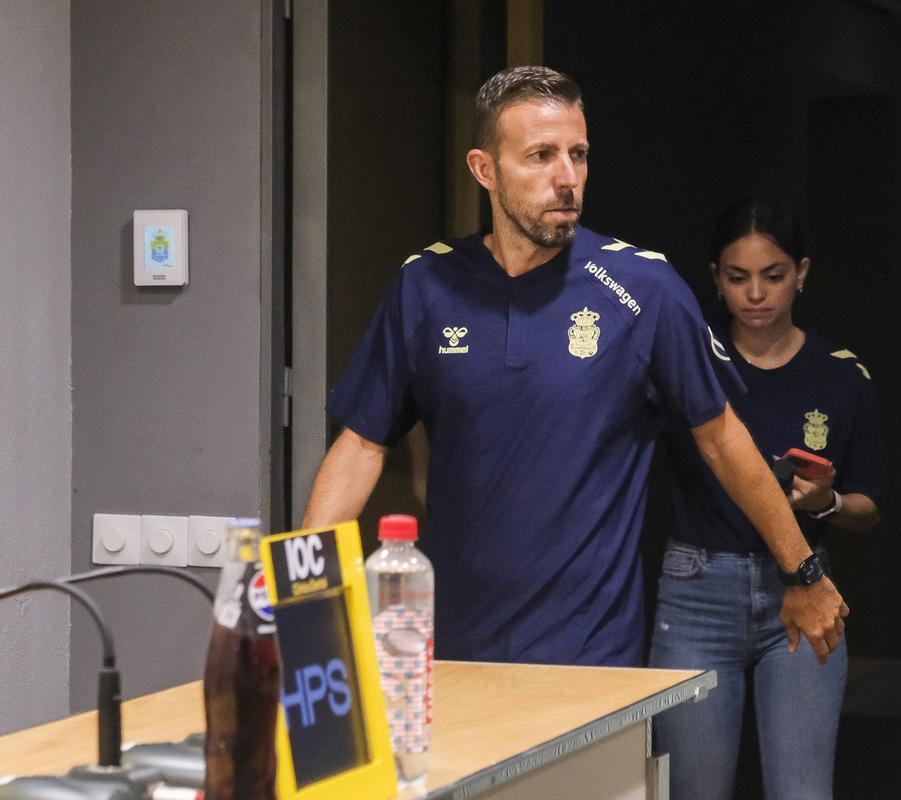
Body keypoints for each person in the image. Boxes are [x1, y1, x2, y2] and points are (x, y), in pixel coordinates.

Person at [301, 66, 848, 668]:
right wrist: (299, 595)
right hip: (448, 648)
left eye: (578, 154)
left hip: (589, 656)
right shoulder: (425, 284)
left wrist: (803, 571)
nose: (567, 178)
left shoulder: (643, 287)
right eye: (541, 156)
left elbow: (721, 437)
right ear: (485, 169)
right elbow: (361, 446)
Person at [649, 198, 882, 800]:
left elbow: (869, 508)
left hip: (802, 592)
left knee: (802, 789)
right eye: (737, 277)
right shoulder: (689, 362)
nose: (756, 293)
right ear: (715, 281)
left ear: (801, 273)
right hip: (696, 589)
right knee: (692, 789)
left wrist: (826, 502)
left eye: (773, 276)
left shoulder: (840, 375)